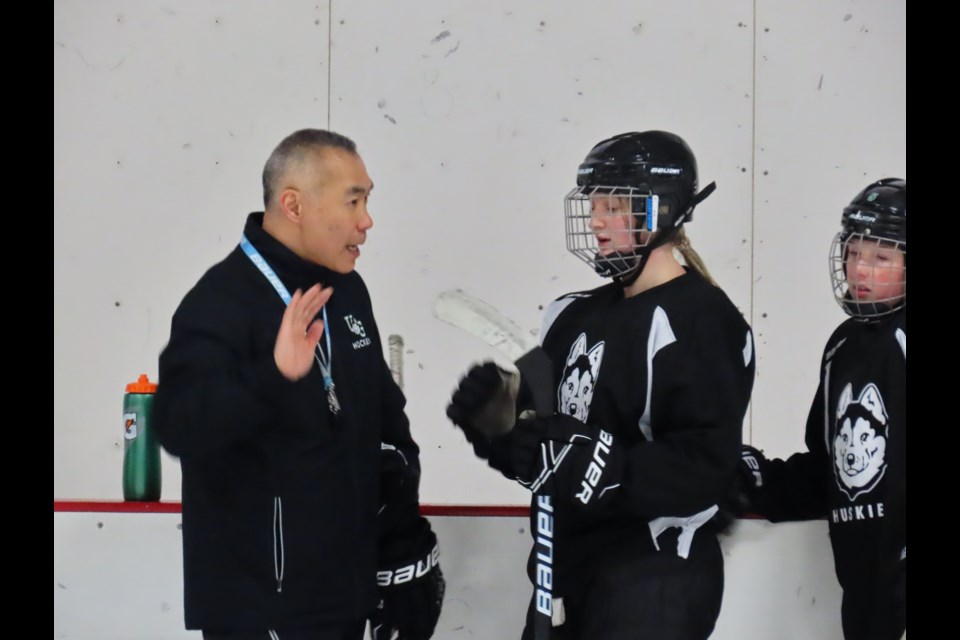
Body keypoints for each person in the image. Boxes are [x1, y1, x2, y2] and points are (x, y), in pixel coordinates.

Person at [447, 131, 756, 639]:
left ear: (659, 211)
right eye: (594, 205)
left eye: (613, 206)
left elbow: (706, 467)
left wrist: (603, 463)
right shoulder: (572, 314)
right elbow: (546, 455)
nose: (596, 221)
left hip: (655, 580)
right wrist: (499, 427)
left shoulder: (702, 319)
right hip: (565, 575)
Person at [154, 129, 444, 640]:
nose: (366, 220)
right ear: (293, 205)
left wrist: (403, 547)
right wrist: (273, 375)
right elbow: (179, 427)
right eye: (353, 200)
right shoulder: (220, 301)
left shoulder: (347, 291)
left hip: (345, 599)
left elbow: (385, 425)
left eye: (368, 199)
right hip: (261, 612)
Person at [738, 178, 906, 640]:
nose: (860, 270)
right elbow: (830, 469)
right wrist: (761, 482)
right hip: (865, 589)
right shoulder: (843, 345)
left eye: (881, 258)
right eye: (854, 253)